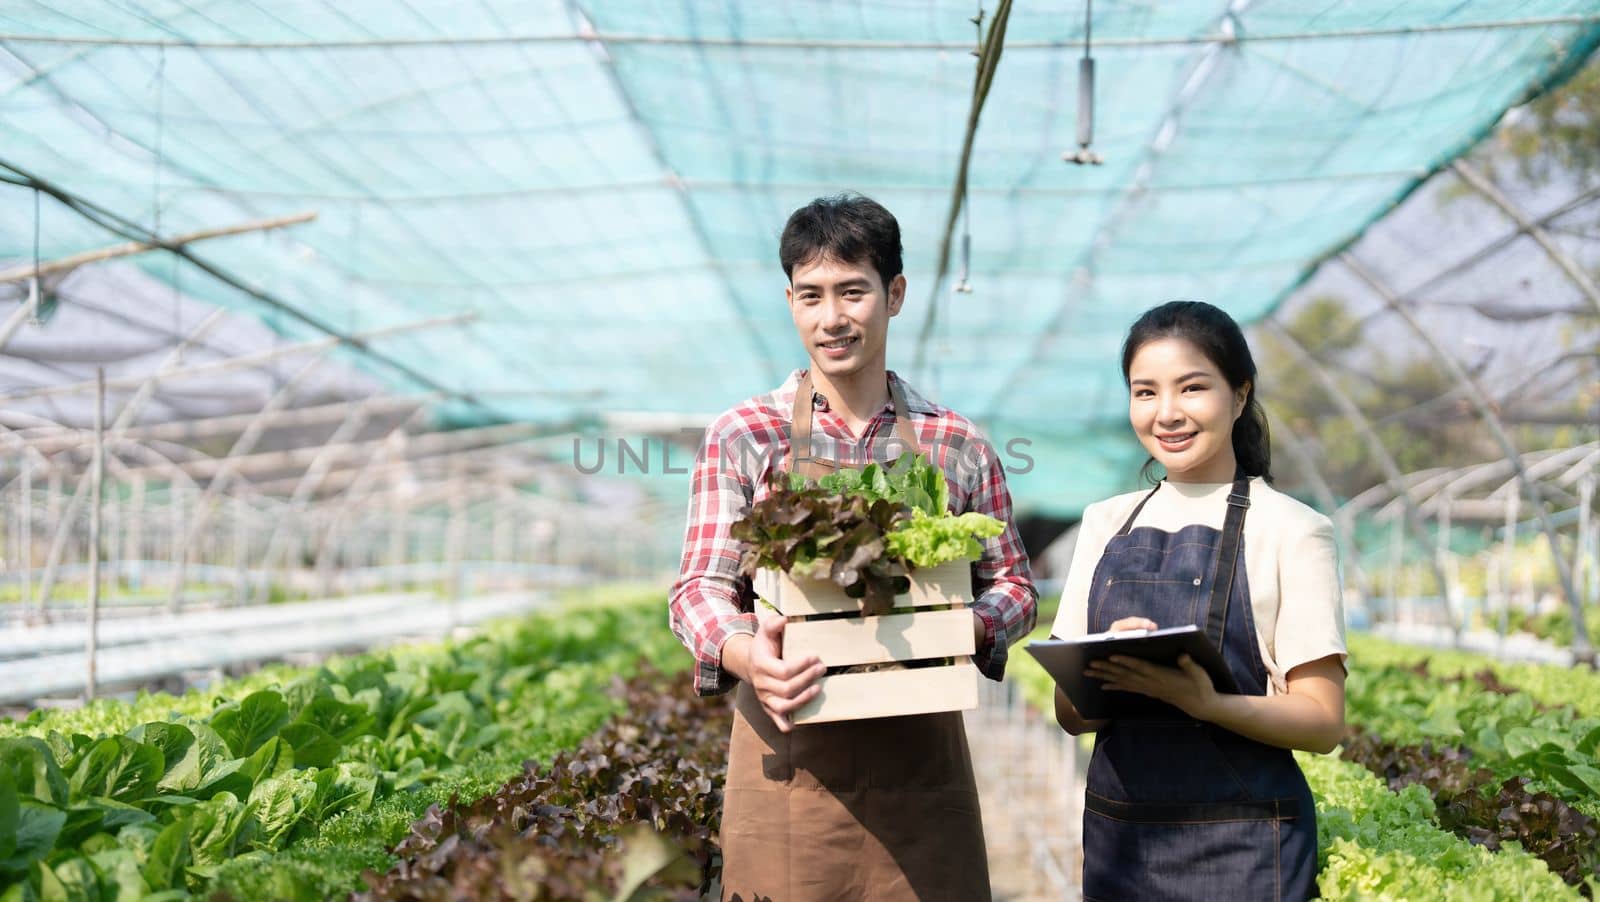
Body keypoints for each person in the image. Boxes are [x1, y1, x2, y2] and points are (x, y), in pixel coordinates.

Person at [670, 193, 1038, 901]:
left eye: (852, 292)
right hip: (790, 758)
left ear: (894, 294)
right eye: (810, 296)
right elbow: (697, 589)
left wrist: (970, 623)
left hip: (920, 763)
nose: (831, 317)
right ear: (789, 302)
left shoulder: (955, 444)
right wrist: (748, 653)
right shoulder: (744, 434)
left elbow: (1016, 585)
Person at [1051, 300, 1346, 901]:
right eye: (1145, 392)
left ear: (1239, 395)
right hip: (1121, 843)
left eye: (1191, 388)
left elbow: (1322, 720)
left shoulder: (1292, 529)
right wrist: (1107, 668)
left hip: (1245, 850)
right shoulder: (1105, 523)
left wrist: (1205, 702)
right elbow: (1070, 714)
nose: (1167, 414)